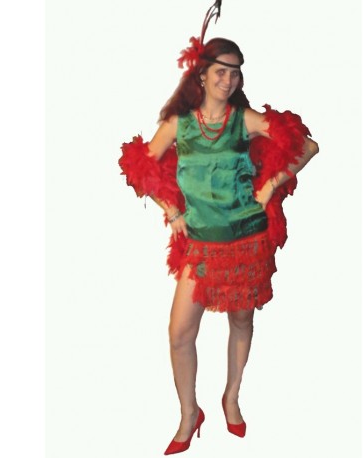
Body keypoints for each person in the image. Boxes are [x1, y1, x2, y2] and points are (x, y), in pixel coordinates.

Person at [118, 3, 319, 455]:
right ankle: (190, 413)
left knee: (241, 320)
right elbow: (139, 167)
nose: (229, 81)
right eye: (221, 72)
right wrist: (171, 209)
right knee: (179, 333)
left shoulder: (244, 121)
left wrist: (271, 185)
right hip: (200, 245)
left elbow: (307, 146)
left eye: (236, 73)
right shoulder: (179, 125)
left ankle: (231, 396)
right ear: (202, 75)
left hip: (247, 239)